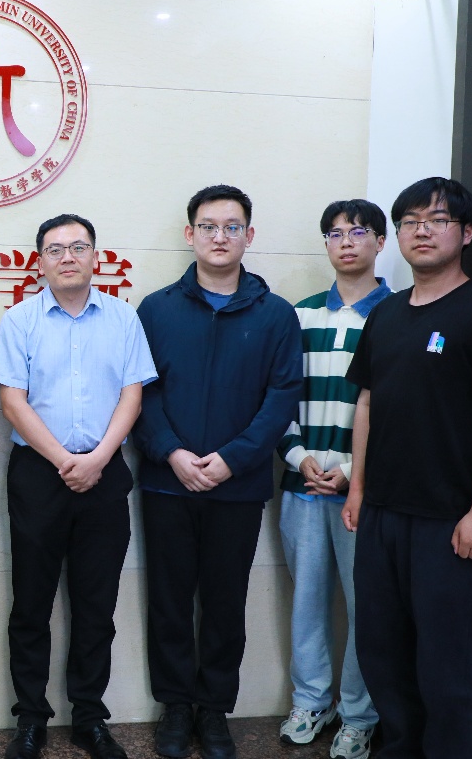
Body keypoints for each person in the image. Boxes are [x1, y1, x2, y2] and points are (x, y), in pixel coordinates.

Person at [343, 178, 472, 759]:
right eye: (410, 221)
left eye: (438, 220)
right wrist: (358, 488)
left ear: (466, 233)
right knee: (383, 656)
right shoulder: (386, 314)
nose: (421, 231)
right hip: (381, 516)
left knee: (450, 670)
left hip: (452, 523)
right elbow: (368, 403)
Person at [134, 185, 302, 759]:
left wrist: (233, 458)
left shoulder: (276, 314)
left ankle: (213, 710)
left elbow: (281, 397)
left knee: (226, 602)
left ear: (249, 236)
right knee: (170, 599)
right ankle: (176, 707)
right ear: (190, 234)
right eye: (208, 226)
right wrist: (172, 452)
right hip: (167, 481)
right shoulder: (156, 309)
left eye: (232, 227)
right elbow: (141, 392)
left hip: (240, 486)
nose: (220, 236)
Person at [0, 214, 157, 759]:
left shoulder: (123, 318)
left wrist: (99, 457)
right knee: (31, 604)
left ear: (95, 256)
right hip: (39, 475)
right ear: (39, 261)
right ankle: (30, 719)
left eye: (78, 247)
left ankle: (89, 717)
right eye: (56, 249)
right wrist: (66, 460)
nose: (68, 257)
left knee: (96, 604)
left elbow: (133, 393)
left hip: (105, 472)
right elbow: (12, 401)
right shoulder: (19, 320)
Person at [274, 201, 388, 758]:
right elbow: (278, 399)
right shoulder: (299, 316)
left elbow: (398, 410)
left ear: (380, 242)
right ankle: (311, 701)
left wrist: (349, 472)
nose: (346, 242)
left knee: (367, 606)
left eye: (358, 232)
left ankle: (360, 715)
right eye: (335, 233)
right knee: (307, 602)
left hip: (364, 492)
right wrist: (299, 458)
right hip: (302, 484)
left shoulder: (398, 314)